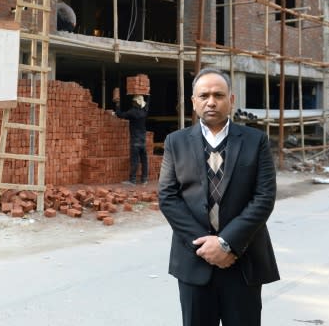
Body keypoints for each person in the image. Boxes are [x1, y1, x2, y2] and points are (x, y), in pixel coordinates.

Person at [158, 68, 279, 326]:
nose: (211, 101)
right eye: (204, 95)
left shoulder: (255, 141)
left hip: (242, 258)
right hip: (194, 260)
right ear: (193, 102)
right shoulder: (175, 142)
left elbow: (264, 197)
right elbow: (168, 197)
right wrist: (206, 246)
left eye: (218, 95)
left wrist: (226, 243)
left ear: (231, 100)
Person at [114, 93, 150, 185]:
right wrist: (147, 93)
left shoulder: (132, 112)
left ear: (136, 103)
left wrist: (117, 104)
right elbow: (147, 105)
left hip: (135, 141)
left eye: (133, 102)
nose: (132, 103)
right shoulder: (144, 112)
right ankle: (144, 179)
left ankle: (132, 180)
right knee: (144, 161)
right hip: (143, 141)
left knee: (135, 161)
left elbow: (120, 115)